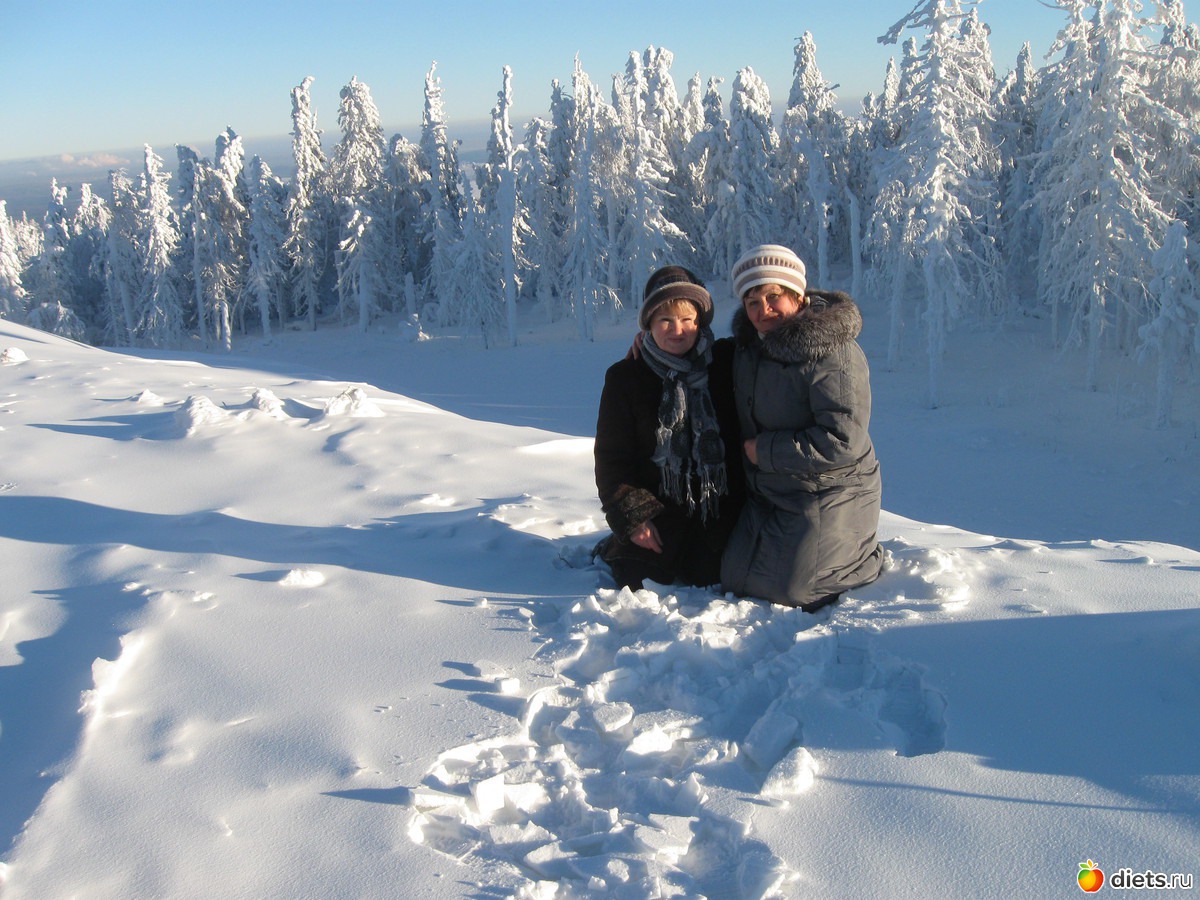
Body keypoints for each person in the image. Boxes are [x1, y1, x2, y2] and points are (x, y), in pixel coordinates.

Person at [719, 244, 885, 612]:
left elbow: (843, 439)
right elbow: (697, 355)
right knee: (734, 577)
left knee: (796, 593)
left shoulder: (833, 353)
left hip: (832, 487)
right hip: (771, 488)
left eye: (773, 296)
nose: (763, 310)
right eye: (752, 302)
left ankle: (863, 556)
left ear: (797, 296)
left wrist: (764, 451)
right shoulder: (749, 349)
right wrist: (648, 342)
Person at [594, 266, 744, 590]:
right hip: (658, 508)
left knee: (713, 577)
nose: (678, 330)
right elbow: (612, 458)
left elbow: (770, 330)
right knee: (637, 579)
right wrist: (634, 518)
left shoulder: (725, 362)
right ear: (648, 324)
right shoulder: (626, 377)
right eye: (665, 320)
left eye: (688, 319)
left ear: (701, 323)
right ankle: (614, 545)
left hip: (718, 507)